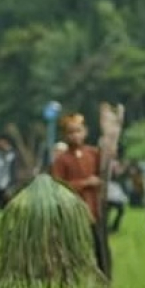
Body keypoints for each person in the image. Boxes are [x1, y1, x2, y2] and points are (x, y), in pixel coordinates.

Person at [51, 113, 107, 273]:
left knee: (98, 246)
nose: (75, 135)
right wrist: (85, 183)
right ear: (65, 135)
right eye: (71, 132)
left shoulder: (93, 153)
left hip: (94, 208)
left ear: (85, 132)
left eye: (78, 131)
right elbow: (58, 186)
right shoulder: (61, 160)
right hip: (73, 210)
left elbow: (104, 172)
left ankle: (102, 277)